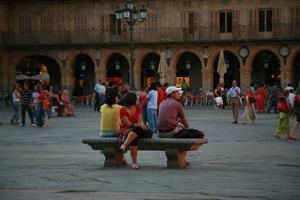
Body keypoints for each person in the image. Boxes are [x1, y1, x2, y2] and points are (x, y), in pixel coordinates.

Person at [157, 86, 204, 165]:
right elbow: (183, 119)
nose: (179, 94)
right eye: (177, 92)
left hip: (160, 132)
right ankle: (182, 159)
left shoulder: (162, 102)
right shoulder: (177, 104)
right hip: (170, 132)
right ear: (172, 94)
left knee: (181, 130)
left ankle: (182, 158)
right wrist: (187, 129)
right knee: (186, 135)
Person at [119, 92, 152, 169]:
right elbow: (128, 124)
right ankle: (134, 162)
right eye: (136, 98)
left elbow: (139, 123)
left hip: (138, 130)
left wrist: (138, 125)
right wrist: (139, 125)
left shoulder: (138, 109)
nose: (138, 99)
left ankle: (124, 145)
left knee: (136, 130)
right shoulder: (122, 110)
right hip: (130, 130)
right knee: (134, 136)